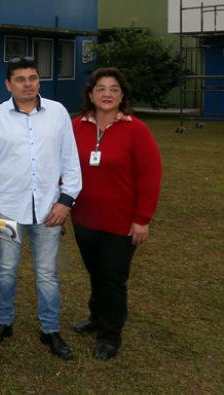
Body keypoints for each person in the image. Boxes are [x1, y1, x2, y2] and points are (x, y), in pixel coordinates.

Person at [0, 57, 82, 361]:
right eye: (20, 79)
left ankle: (50, 329)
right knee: (6, 269)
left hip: (49, 212)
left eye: (33, 78)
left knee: (47, 273)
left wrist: (65, 202)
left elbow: (70, 161)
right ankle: (3, 323)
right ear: (8, 84)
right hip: (6, 210)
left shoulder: (58, 113)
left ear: (39, 81)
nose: (27, 84)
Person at [71, 67, 161, 360]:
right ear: (90, 94)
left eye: (114, 89)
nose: (107, 94)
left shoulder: (136, 130)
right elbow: (62, 167)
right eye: (101, 88)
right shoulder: (76, 126)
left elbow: (150, 177)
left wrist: (142, 219)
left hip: (120, 222)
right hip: (84, 219)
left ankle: (111, 334)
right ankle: (97, 317)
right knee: (96, 272)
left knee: (112, 277)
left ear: (122, 96)